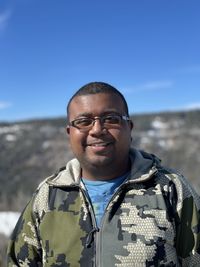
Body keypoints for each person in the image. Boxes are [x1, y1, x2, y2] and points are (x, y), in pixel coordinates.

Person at [7, 82, 200, 266]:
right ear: (69, 133)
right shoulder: (47, 196)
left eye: (111, 119)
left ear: (129, 128)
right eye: (83, 121)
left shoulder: (171, 189)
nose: (97, 130)